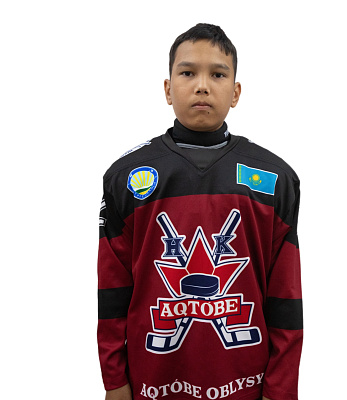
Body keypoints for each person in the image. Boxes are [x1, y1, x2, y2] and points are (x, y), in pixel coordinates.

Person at [98, 23, 303, 400]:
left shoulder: (276, 178)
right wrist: (114, 381)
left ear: (236, 92)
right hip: (152, 383)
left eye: (218, 74)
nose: (202, 86)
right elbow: (111, 291)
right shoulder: (126, 177)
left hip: (245, 384)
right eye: (188, 73)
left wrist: (281, 389)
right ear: (167, 89)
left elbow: (285, 298)